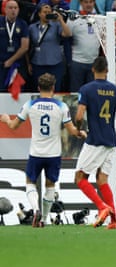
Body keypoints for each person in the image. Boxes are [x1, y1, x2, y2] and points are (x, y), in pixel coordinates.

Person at [0, 73, 86, 227]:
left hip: (36, 153)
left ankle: (35, 209)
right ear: (53, 88)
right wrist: (81, 133)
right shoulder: (61, 106)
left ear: (39, 88)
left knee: (30, 182)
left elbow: (13, 126)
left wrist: (6, 119)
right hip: (54, 154)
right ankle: (44, 219)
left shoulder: (30, 105)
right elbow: (73, 131)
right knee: (50, 185)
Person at [74, 56, 116, 230]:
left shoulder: (86, 89)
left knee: (80, 178)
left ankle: (102, 207)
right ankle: (114, 220)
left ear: (92, 70)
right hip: (111, 141)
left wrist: (78, 129)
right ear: (107, 71)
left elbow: (79, 115)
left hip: (95, 140)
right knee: (102, 179)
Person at [28, 3, 72, 92]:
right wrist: (28, 63)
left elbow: (68, 34)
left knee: (55, 89)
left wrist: (61, 20)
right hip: (38, 63)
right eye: (44, 12)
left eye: (49, 12)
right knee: (39, 89)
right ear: (39, 14)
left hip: (54, 63)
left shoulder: (56, 26)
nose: (47, 14)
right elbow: (28, 46)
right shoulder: (32, 27)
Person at [66, 0, 102, 92]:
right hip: (77, 62)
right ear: (81, 4)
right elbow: (66, 38)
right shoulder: (73, 19)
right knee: (76, 92)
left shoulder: (100, 19)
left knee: (93, 92)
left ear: (94, 3)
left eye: (91, 2)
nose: (88, 4)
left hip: (94, 63)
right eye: (86, 2)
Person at [0, 0, 29, 93]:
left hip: (17, 65)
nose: (13, 10)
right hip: (1, 64)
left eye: (15, 8)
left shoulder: (23, 24)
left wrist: (10, 61)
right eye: (10, 8)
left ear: (19, 10)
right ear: (5, 9)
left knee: (16, 93)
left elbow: (25, 47)